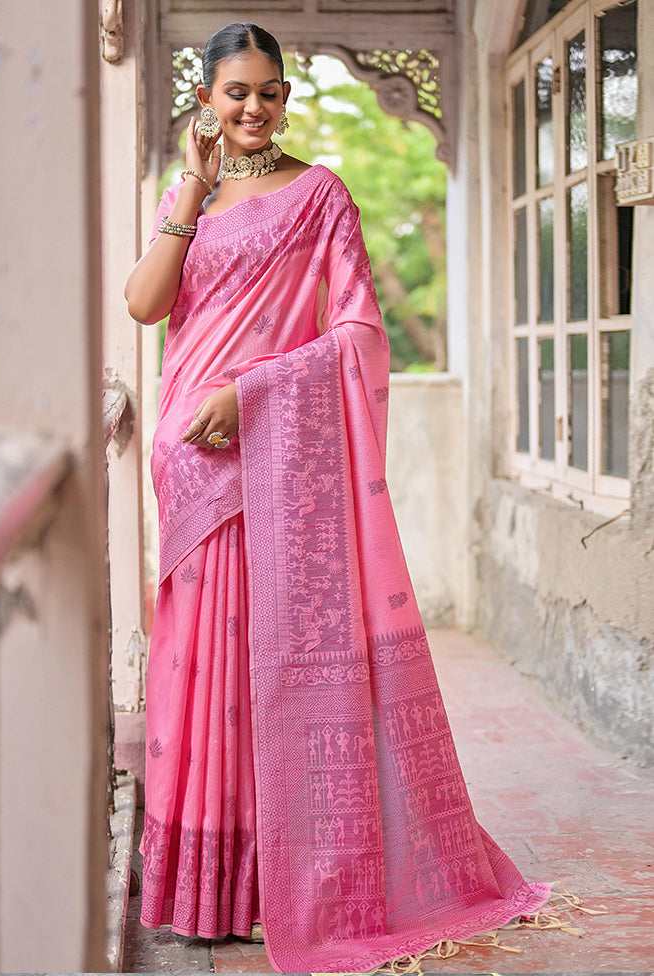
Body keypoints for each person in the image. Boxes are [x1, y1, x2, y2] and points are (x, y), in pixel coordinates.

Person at [125, 22, 550, 974]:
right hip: (194, 467)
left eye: (268, 92)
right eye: (236, 92)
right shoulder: (186, 196)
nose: (254, 108)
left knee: (271, 667)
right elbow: (147, 304)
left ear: (285, 96)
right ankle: (209, 891)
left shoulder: (318, 196)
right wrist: (190, 187)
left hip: (273, 453)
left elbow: (358, 336)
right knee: (201, 676)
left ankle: (288, 885)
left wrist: (256, 392)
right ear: (209, 95)